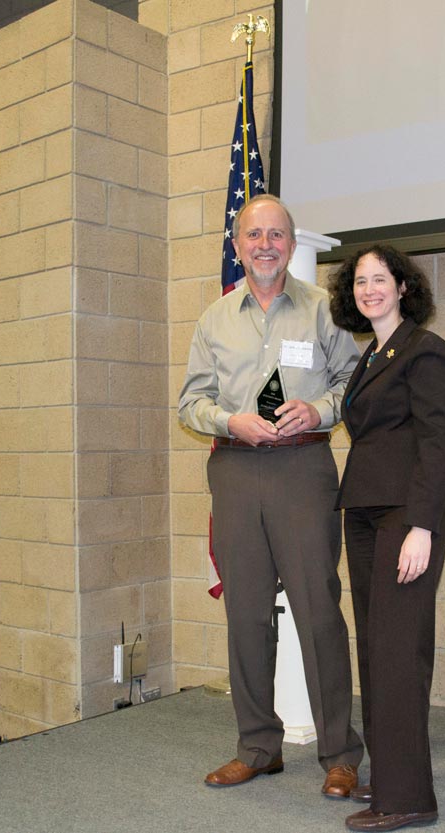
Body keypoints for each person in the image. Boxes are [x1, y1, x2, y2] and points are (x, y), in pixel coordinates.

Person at [178, 194, 365, 798]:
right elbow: (190, 403)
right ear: (237, 246)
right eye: (253, 234)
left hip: (303, 470)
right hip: (235, 473)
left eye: (276, 234)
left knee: (317, 613)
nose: (265, 244)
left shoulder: (324, 311)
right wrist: (231, 421)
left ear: (290, 242)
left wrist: (317, 408)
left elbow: (352, 387)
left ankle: (339, 753)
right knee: (247, 617)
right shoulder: (214, 319)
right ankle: (258, 746)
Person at [328, 244, 445, 832]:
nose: (369, 289)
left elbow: (436, 441)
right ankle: (390, 774)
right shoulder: (368, 355)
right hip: (363, 510)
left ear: (404, 287)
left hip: (407, 514)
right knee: (377, 648)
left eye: (380, 279)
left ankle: (409, 799)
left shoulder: (426, 351)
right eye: (360, 281)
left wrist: (422, 526)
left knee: (400, 652)